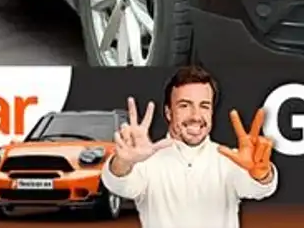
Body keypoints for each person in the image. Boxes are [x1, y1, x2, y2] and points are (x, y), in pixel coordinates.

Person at [101, 66, 277, 228]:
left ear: (211, 112)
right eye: (184, 105)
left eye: (204, 106)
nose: (196, 116)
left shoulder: (230, 160)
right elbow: (118, 184)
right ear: (169, 112)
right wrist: (124, 161)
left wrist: (262, 176)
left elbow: (258, 190)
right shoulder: (146, 162)